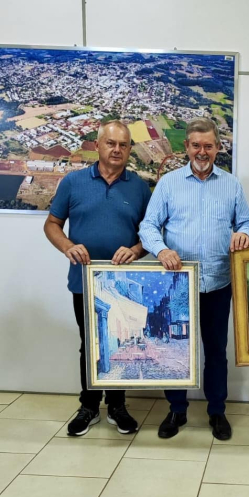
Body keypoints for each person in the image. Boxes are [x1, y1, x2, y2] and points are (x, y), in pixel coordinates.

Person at [139, 117, 249, 441]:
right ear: (186, 147)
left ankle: (217, 411)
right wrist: (161, 250)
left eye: (208, 146)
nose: (202, 152)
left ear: (217, 147)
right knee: (175, 348)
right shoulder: (169, 184)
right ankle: (177, 410)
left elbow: (246, 222)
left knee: (216, 351)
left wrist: (244, 234)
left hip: (218, 283)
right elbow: (148, 226)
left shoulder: (231, 185)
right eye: (196, 145)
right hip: (178, 283)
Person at [44, 120, 151, 436]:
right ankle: (89, 406)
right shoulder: (73, 182)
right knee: (89, 344)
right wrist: (67, 246)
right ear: (97, 145)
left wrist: (136, 250)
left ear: (129, 149)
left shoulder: (139, 187)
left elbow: (151, 233)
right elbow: (52, 224)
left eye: (123, 145)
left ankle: (117, 406)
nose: (117, 150)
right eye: (111, 143)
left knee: (118, 341)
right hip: (84, 280)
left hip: (122, 283)